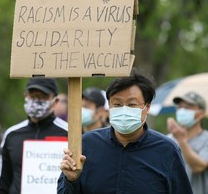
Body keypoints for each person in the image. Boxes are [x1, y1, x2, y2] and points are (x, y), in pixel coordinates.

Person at [58, 70, 193, 194]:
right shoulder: (85, 145)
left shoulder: (167, 151)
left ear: (147, 107)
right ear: (109, 106)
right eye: (116, 104)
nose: (123, 110)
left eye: (131, 104)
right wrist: (71, 180)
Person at [0, 78, 68, 194]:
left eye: (43, 97)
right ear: (25, 96)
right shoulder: (12, 135)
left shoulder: (69, 133)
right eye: (32, 96)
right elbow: (2, 181)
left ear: (55, 101)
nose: (36, 101)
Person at [167, 91, 208, 194]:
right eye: (180, 108)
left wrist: (181, 141)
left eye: (187, 108)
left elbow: (198, 167)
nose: (182, 111)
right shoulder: (168, 140)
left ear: (201, 114)